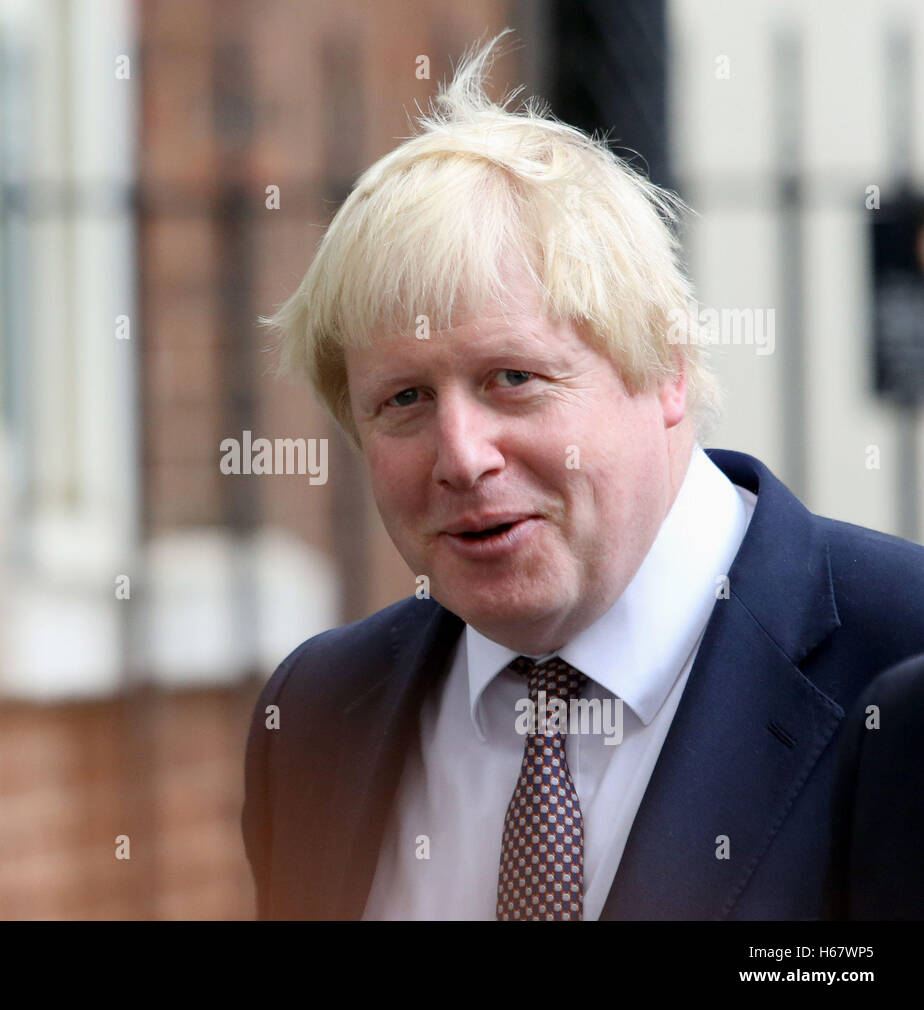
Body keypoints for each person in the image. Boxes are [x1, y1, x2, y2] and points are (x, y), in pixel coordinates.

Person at [241, 34, 924, 920]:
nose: (462, 456)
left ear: (668, 370)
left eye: (513, 379)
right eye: (404, 399)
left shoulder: (902, 651)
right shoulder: (317, 715)